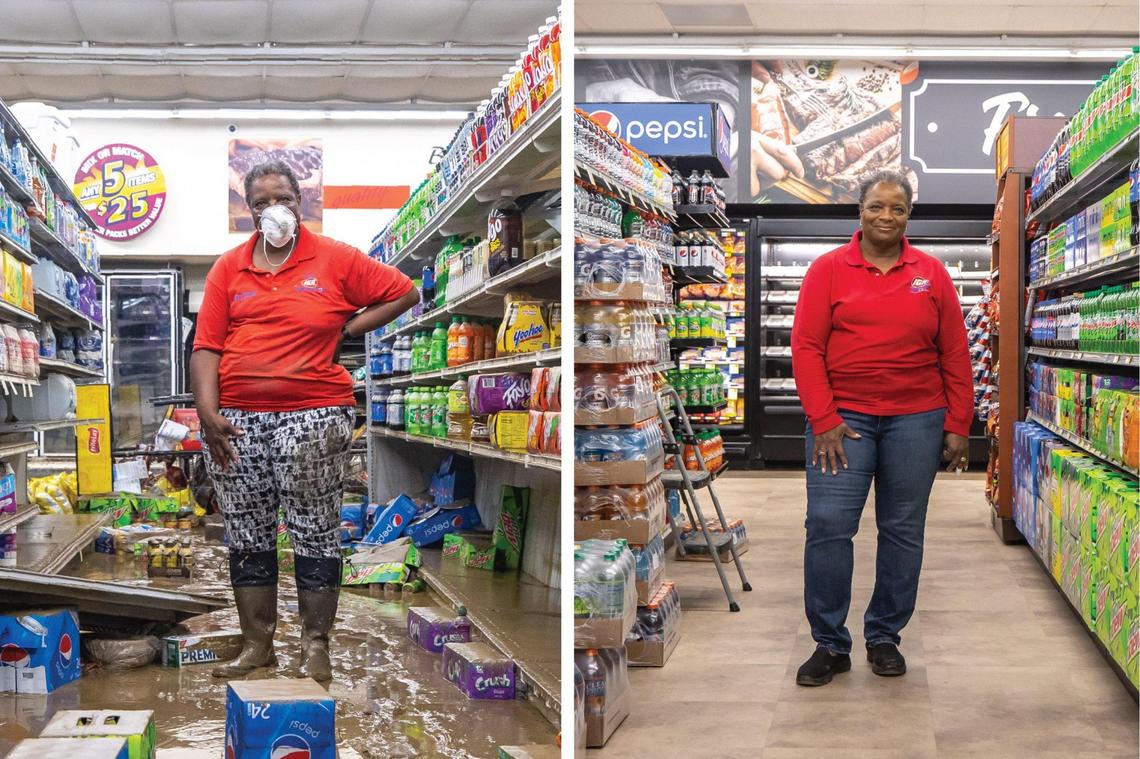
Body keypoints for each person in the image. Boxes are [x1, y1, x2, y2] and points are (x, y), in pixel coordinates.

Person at [191, 160, 418, 682]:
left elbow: (405, 291)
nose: (275, 210)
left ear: (301, 203)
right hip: (239, 421)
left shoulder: (334, 258)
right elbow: (207, 347)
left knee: (314, 532)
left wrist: (347, 328)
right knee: (247, 533)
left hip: (314, 415)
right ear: (249, 212)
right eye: (262, 202)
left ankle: (315, 647)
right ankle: (257, 646)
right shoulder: (230, 268)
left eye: (284, 199)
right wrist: (208, 415)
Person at [790, 169, 972, 686]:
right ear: (860, 210)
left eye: (897, 208)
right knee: (827, 526)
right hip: (843, 422)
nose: (886, 217)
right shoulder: (828, 270)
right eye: (877, 206)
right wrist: (823, 418)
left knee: (902, 530)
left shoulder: (931, 273)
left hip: (918, 419)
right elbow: (806, 348)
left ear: (908, 215)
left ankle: (884, 636)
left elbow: (954, 352)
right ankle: (829, 643)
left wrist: (958, 422)